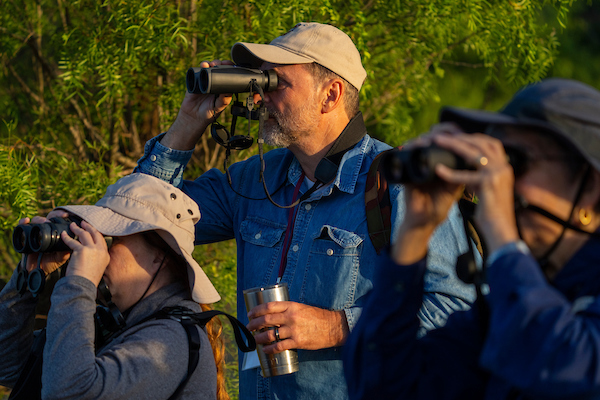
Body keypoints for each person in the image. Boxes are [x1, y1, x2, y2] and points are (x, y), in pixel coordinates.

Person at [136, 22, 475, 399]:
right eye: (259, 82)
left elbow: (457, 308)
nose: (260, 97)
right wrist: (187, 123)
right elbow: (141, 219)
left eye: (275, 83)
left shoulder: (400, 183)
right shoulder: (254, 180)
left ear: (330, 95)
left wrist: (336, 327)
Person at [343, 78, 600, 399]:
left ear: (590, 187)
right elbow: (383, 387)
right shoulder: (509, 301)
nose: (497, 183)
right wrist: (414, 232)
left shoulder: (522, 294)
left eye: (517, 162)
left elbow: (570, 372)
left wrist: (504, 242)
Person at [0, 173, 227, 400]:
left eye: (110, 239)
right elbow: (8, 367)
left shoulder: (170, 342)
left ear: (161, 255)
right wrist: (26, 280)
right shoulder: (112, 323)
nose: (99, 252)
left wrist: (79, 282)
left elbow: (67, 393)